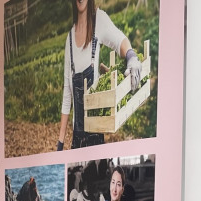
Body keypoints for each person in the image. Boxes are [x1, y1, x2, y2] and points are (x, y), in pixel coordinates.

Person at [57, 0, 142, 150]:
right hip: (77, 139)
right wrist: (60, 143)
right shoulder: (69, 39)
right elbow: (67, 94)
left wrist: (131, 56)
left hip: (95, 136)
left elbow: (120, 40)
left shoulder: (99, 20)